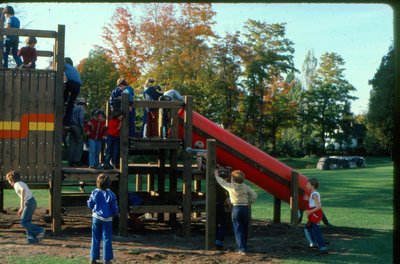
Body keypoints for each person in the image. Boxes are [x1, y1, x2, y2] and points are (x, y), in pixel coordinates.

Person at [214, 169, 257, 255]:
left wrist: (216, 175)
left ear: (233, 179)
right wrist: (249, 202)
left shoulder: (231, 187)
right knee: (245, 228)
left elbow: (222, 182)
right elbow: (254, 195)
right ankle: (243, 246)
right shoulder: (246, 187)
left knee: (238, 229)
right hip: (245, 208)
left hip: (236, 208)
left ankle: (241, 249)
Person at [6, 171, 45, 244]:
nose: (8, 182)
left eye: (8, 180)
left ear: (11, 180)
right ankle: (32, 239)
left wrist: (21, 205)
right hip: (32, 201)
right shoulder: (21, 182)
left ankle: (40, 230)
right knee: (28, 222)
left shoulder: (17, 184)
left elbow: (22, 190)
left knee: (24, 222)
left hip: (28, 202)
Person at [87, 174, 119, 264]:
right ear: (109, 183)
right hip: (107, 219)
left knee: (95, 238)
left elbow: (90, 204)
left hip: (96, 218)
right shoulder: (111, 194)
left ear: (97, 183)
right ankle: (107, 260)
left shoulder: (95, 192)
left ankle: (93, 259)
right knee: (107, 238)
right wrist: (114, 214)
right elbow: (114, 208)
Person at [303, 178, 328, 255]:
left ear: (313, 186)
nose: (306, 185)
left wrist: (310, 211)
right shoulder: (312, 194)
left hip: (315, 215)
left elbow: (319, 206)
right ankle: (313, 244)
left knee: (316, 231)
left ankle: (322, 248)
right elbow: (312, 203)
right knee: (307, 228)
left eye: (308, 184)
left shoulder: (314, 195)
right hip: (313, 215)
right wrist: (307, 199)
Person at [67, 97, 87, 167]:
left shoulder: (73, 108)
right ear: (83, 103)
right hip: (77, 126)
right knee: (79, 144)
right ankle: (76, 161)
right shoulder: (81, 108)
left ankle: (70, 161)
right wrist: (82, 128)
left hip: (71, 126)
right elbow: (81, 118)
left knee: (72, 144)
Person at [63, 57, 82, 127]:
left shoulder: (65, 65)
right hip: (78, 85)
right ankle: (66, 122)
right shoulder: (74, 69)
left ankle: (65, 100)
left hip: (71, 83)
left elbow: (58, 67)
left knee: (64, 88)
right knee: (71, 105)